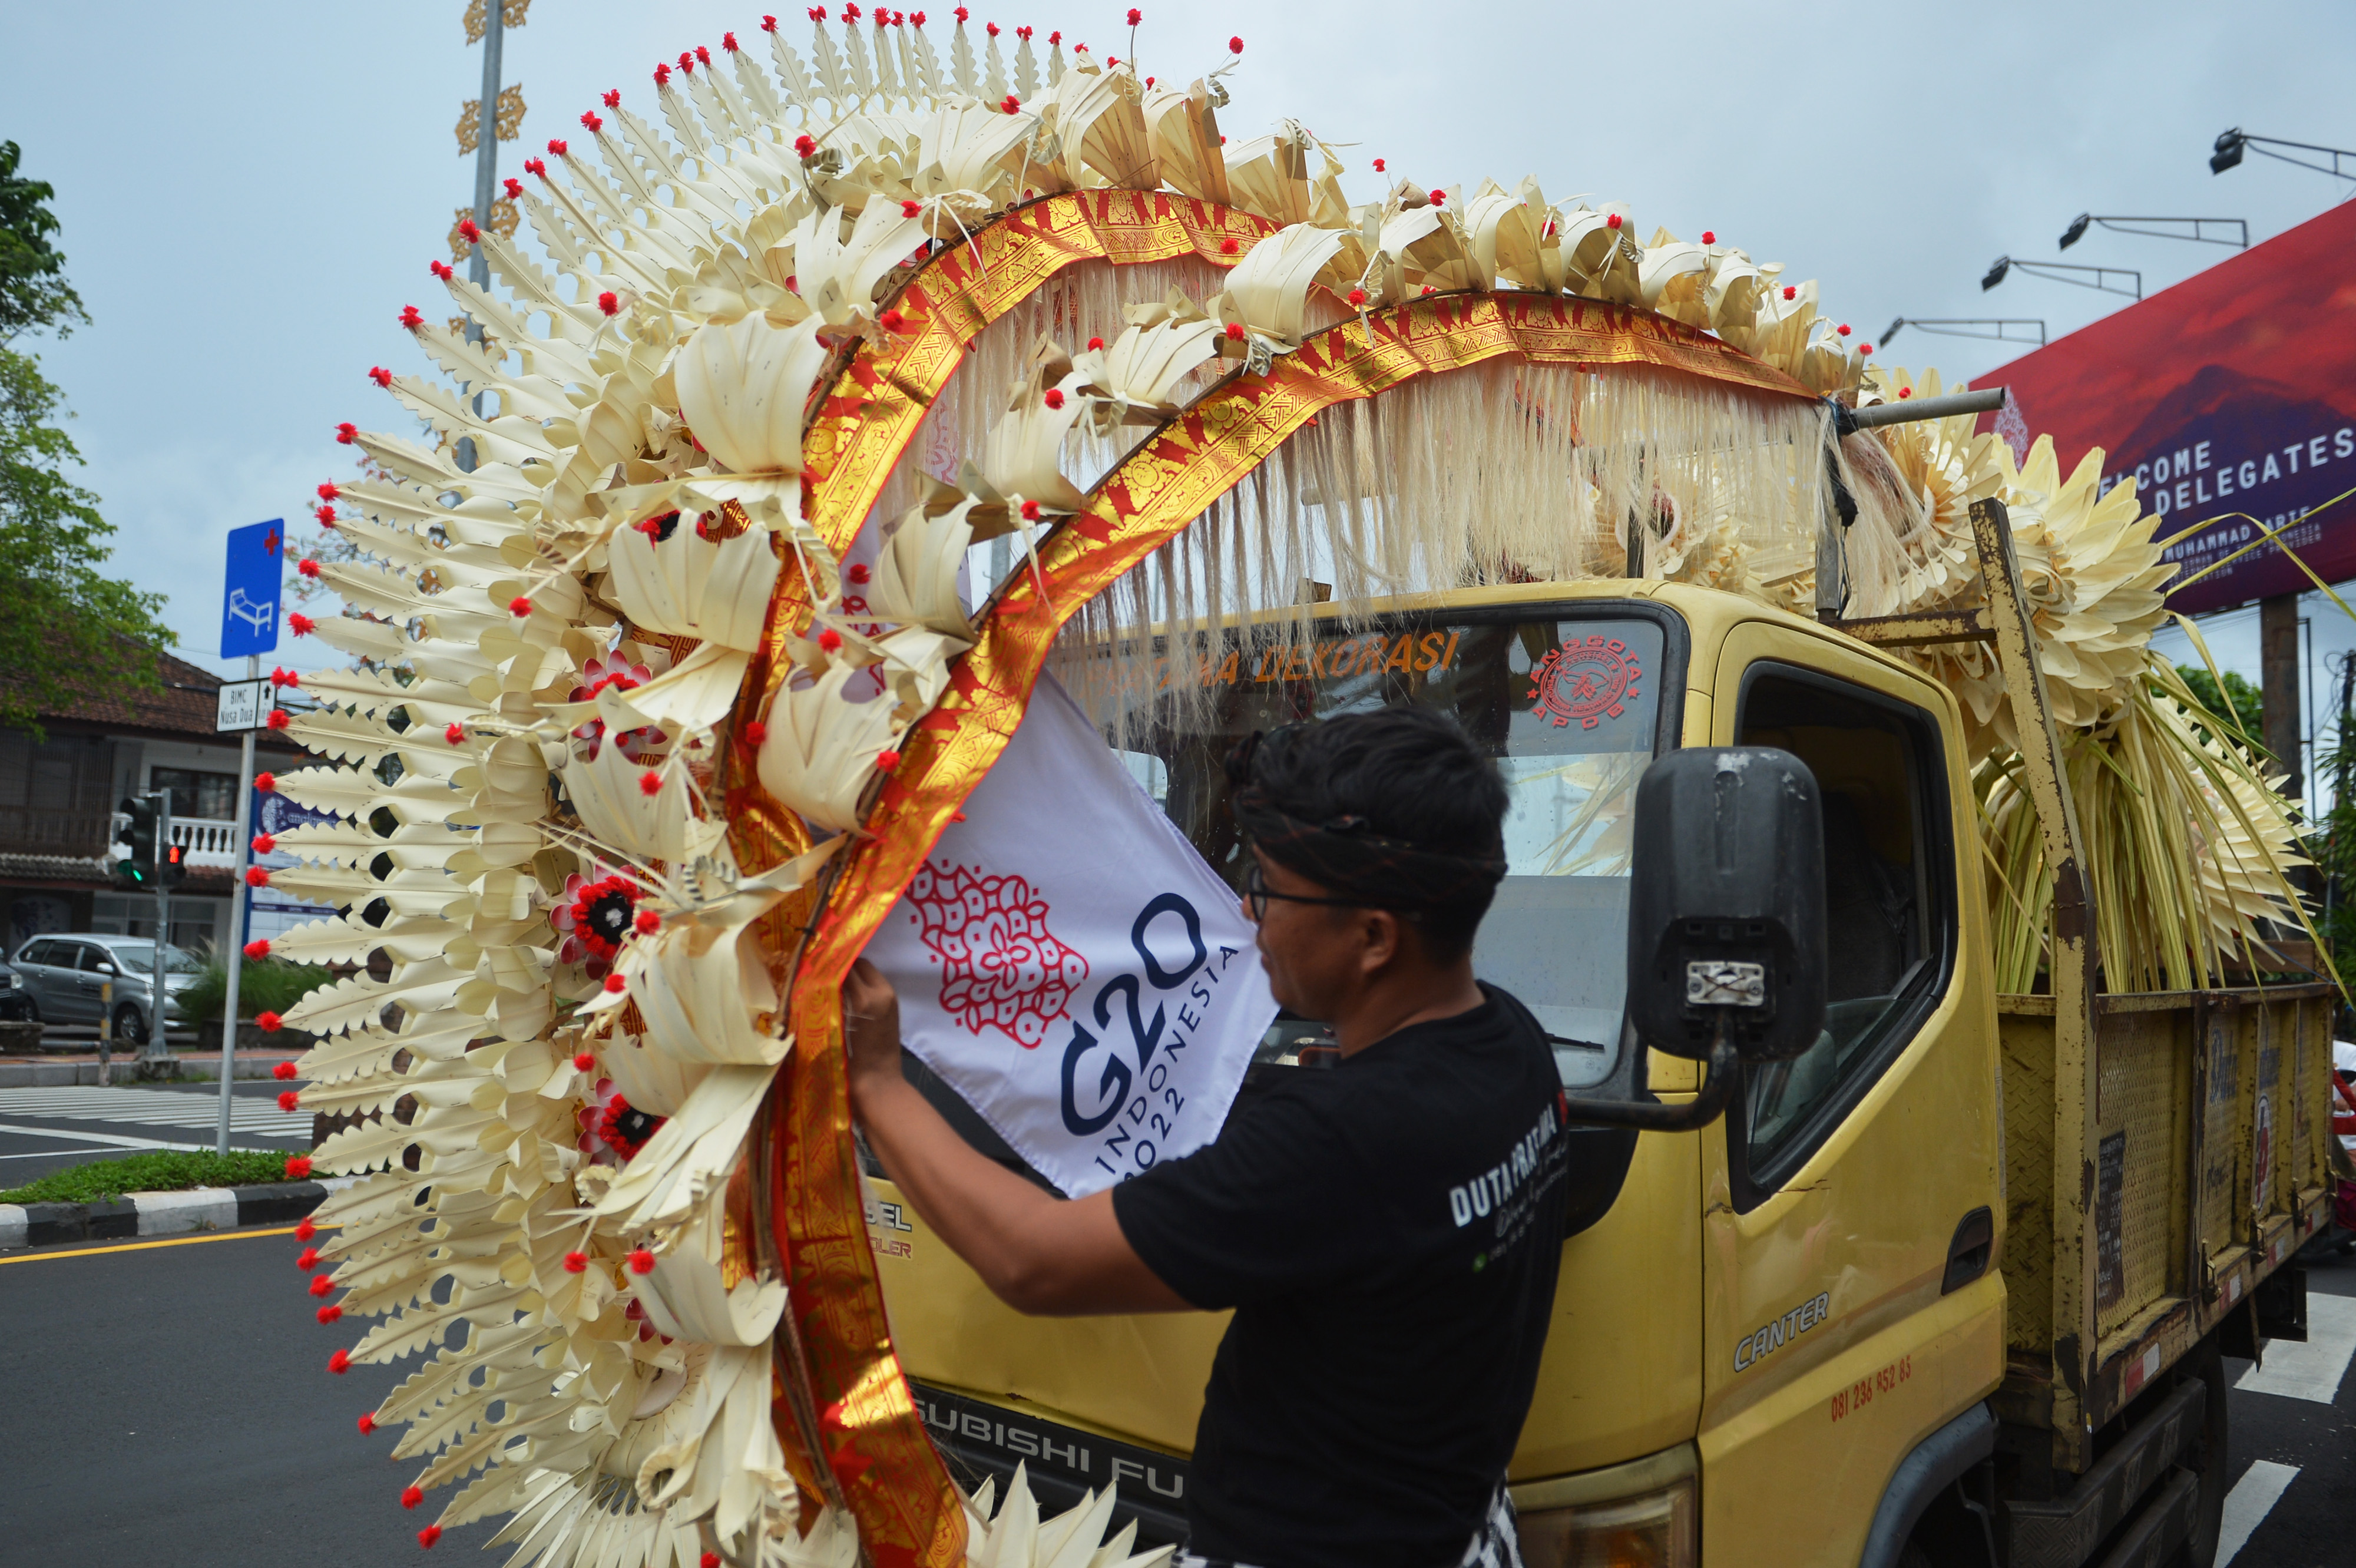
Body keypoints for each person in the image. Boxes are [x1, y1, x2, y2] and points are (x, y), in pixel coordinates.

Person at [843, 706, 1573, 1568]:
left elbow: (1030, 1258)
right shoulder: (1516, 1047)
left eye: (1270, 887)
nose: (1245, 910)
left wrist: (878, 1083)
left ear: (1374, 936)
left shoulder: (1343, 1144)